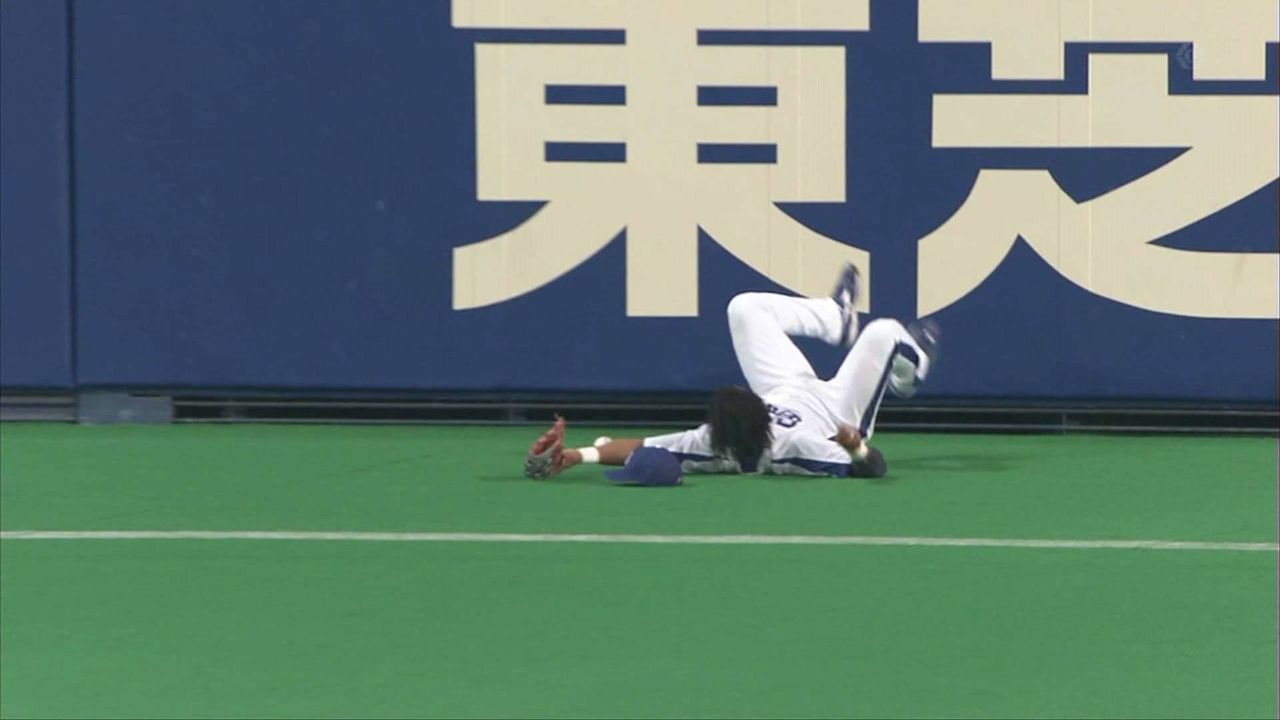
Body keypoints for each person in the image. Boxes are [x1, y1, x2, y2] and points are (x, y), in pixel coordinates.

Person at [525, 264, 939, 482]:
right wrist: (856, 448)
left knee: (745, 308)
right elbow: (874, 468)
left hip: (785, 386)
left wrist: (574, 455)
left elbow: (640, 446)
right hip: (837, 411)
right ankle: (909, 376)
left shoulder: (712, 441)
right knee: (885, 332)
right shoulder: (796, 448)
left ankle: (834, 318)